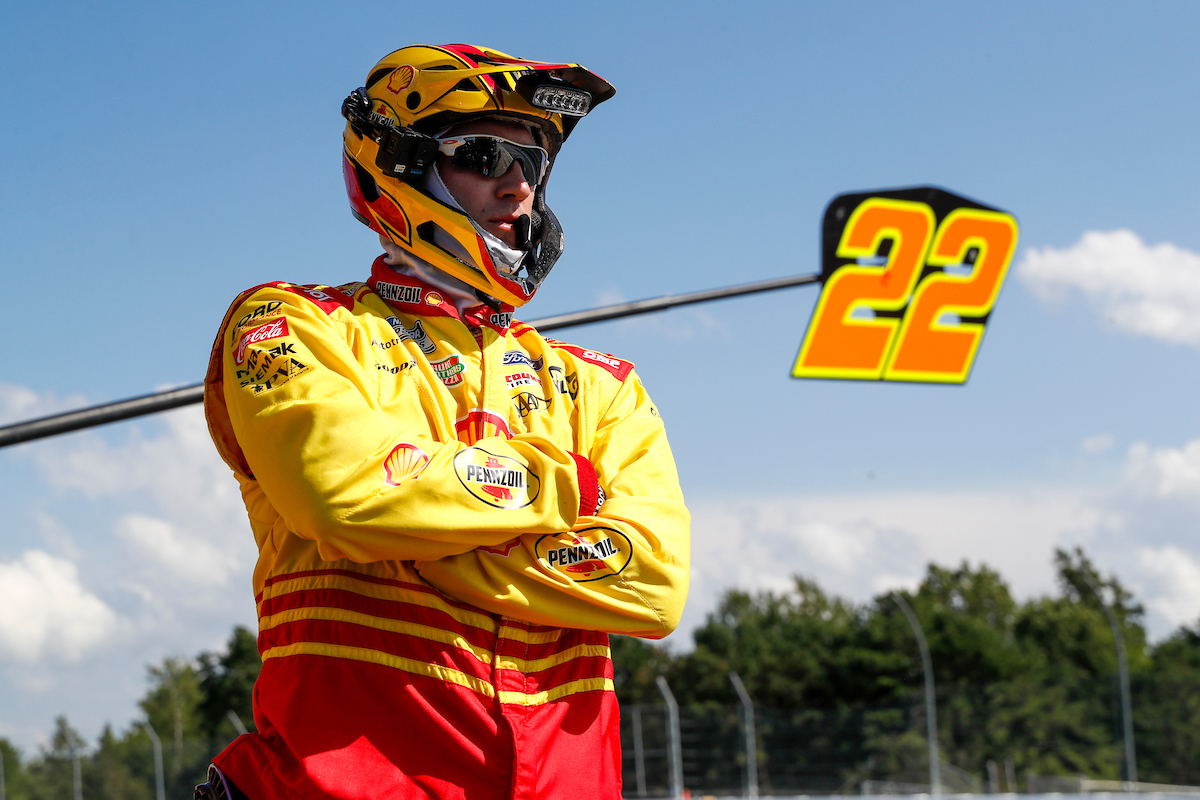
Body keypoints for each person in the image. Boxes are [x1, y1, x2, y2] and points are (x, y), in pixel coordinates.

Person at [197, 43, 690, 800]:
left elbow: (653, 585)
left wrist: (426, 547)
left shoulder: (602, 385)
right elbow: (344, 501)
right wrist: (567, 485)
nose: (518, 184)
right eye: (487, 156)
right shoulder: (294, 326)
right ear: (398, 164)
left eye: (534, 163)